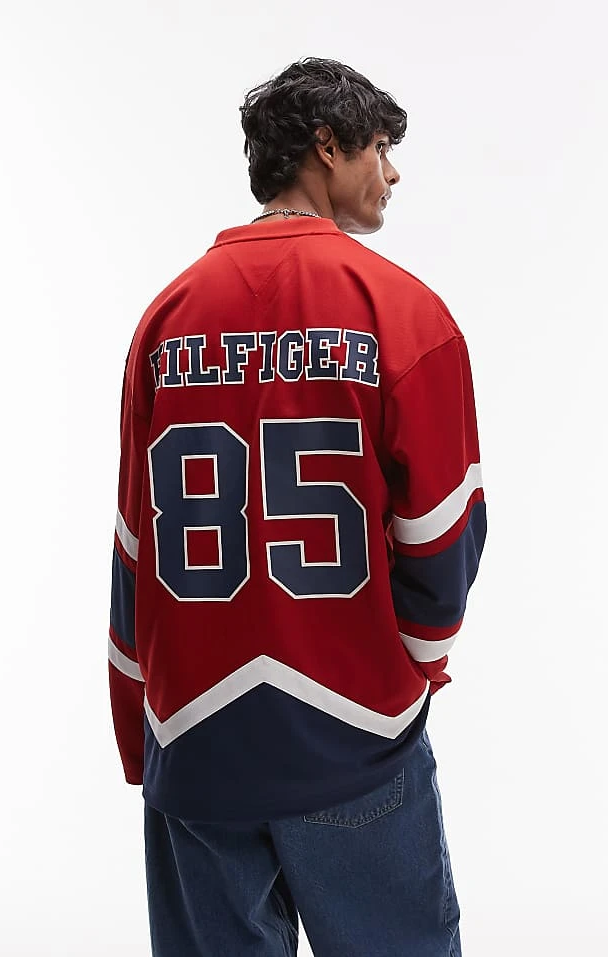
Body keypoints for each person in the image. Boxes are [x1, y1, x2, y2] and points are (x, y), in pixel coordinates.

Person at [108, 56, 486, 957]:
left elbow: (135, 547)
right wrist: (414, 670)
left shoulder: (165, 317)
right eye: (381, 147)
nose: (392, 172)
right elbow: (444, 532)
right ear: (327, 145)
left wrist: (142, 732)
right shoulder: (404, 311)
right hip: (352, 732)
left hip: (194, 738)